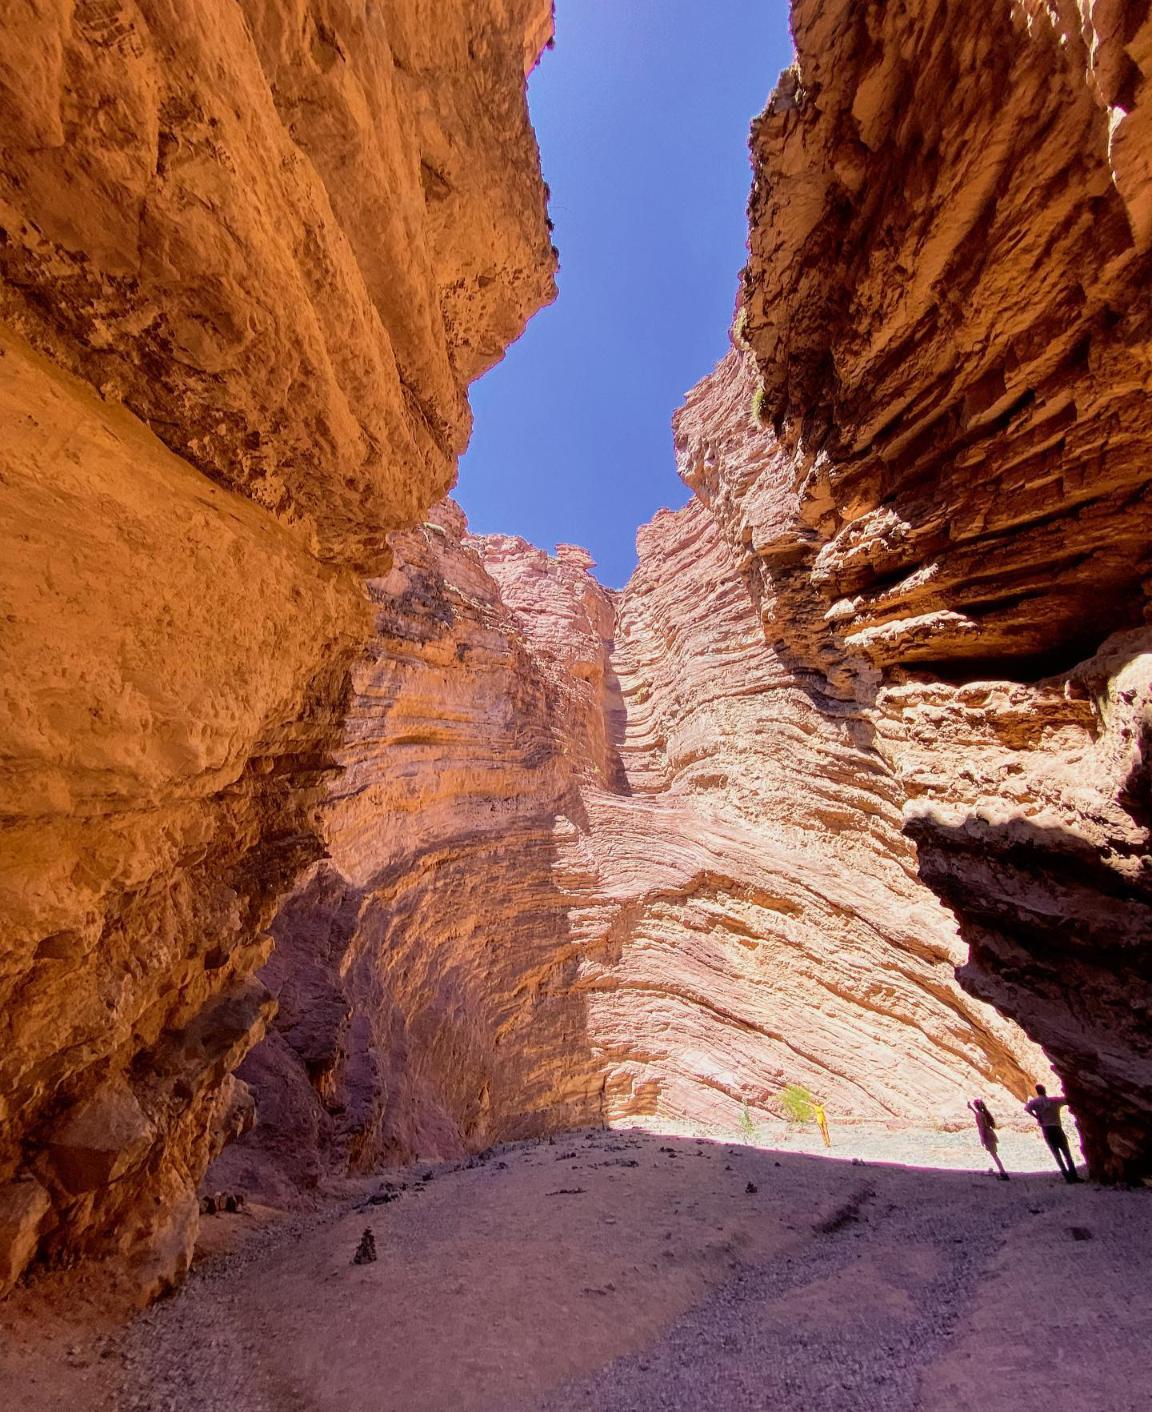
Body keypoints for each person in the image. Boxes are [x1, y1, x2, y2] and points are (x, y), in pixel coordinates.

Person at [1024, 1083, 1081, 1182]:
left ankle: (1066, 1176)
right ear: (1045, 1090)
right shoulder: (1054, 1101)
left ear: (1037, 1091)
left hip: (1046, 1129)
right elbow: (1067, 1100)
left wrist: (1036, 1116)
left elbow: (1027, 1108)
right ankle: (1074, 1176)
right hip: (1057, 1128)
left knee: (1056, 1154)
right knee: (1066, 1153)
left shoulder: (1035, 1102)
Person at [967, 1098, 1009, 1179]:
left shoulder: (980, 1114)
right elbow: (979, 1116)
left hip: (987, 1136)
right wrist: (971, 1108)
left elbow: (981, 1126)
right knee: (994, 1154)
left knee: (994, 1155)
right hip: (990, 1134)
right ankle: (1002, 1172)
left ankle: (1003, 1172)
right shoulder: (983, 1113)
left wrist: (982, 1137)